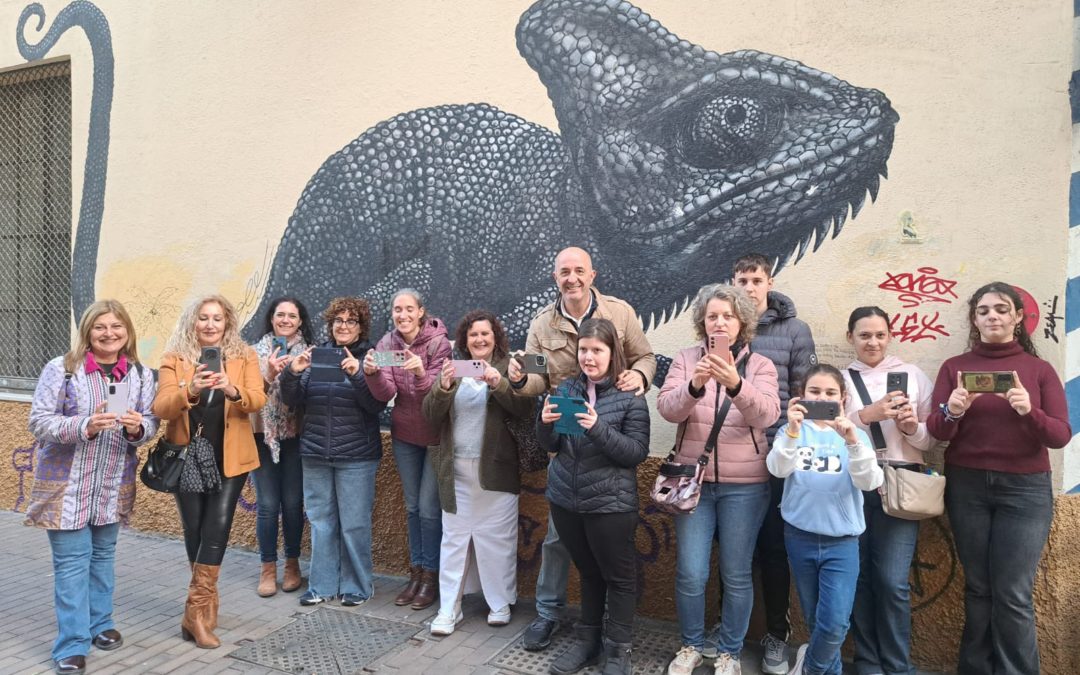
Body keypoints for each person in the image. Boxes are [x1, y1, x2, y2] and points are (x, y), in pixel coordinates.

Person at [509, 246, 656, 651]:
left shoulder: (620, 313)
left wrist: (639, 380)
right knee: (559, 540)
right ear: (555, 277)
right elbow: (539, 379)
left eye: (578, 271)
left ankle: (609, 630)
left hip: (611, 434)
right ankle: (548, 613)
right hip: (568, 444)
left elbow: (644, 356)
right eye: (563, 272)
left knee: (608, 558)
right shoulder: (543, 323)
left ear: (592, 274)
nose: (571, 278)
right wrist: (522, 381)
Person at [928, 282, 1070, 675]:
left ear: (1018, 318)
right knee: (978, 589)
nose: (993, 316)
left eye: (1002, 309)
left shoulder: (1038, 370)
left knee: (1012, 594)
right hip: (967, 487)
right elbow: (938, 431)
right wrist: (953, 410)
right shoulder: (954, 367)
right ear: (974, 319)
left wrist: (1029, 411)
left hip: (1025, 491)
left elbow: (1060, 436)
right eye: (984, 310)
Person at [26, 300, 158, 674]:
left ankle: (100, 624)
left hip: (112, 484)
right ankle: (71, 643)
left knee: (103, 558)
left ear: (127, 332)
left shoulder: (140, 374)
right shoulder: (62, 369)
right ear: (88, 331)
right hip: (66, 487)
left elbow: (150, 424)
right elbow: (38, 422)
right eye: (101, 327)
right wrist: (85, 425)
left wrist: (136, 427)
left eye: (117, 327)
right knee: (71, 564)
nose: (109, 333)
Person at [657, 284, 780, 675]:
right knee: (691, 572)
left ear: (741, 321)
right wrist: (694, 384)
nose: (720, 321)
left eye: (727, 315)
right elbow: (667, 410)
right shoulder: (686, 358)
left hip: (745, 488)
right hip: (693, 485)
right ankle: (692, 644)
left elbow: (767, 416)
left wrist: (736, 384)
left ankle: (729, 651)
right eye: (712, 315)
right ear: (702, 322)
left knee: (737, 572)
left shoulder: (761, 365)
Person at [153, 295, 267, 649]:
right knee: (195, 529)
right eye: (203, 318)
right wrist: (191, 389)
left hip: (230, 458)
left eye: (217, 318)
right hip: (187, 456)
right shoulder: (175, 359)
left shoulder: (244, 356)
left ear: (228, 322)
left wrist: (232, 390)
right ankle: (202, 609)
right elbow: (161, 407)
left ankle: (195, 611)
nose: (210, 324)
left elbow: (258, 399)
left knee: (216, 529)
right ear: (193, 322)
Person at [537, 318, 650, 675]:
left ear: (612, 353)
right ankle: (588, 642)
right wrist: (543, 422)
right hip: (566, 500)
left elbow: (635, 453)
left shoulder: (630, 396)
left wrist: (597, 427)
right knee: (587, 571)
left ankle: (618, 652)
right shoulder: (567, 388)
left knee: (618, 577)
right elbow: (552, 445)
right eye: (583, 349)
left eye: (596, 350)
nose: (589, 357)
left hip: (610, 505)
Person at [421, 310, 535, 635]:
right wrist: (442, 386)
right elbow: (429, 414)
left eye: (485, 334)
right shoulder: (453, 370)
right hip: (454, 472)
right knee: (454, 541)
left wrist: (498, 383)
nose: (480, 340)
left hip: (496, 471)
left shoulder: (509, 367)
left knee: (498, 540)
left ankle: (499, 603)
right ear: (464, 340)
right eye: (473, 335)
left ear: (496, 337)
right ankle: (449, 608)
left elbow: (525, 408)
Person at [766, 364, 883, 675]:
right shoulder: (790, 431)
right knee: (817, 620)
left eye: (830, 393)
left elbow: (870, 481)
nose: (822, 397)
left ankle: (809, 669)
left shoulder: (856, 435)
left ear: (843, 398)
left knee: (833, 624)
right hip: (799, 537)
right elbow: (777, 469)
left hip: (841, 542)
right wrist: (791, 432)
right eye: (814, 392)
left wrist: (853, 443)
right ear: (801, 396)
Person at [731, 252, 817, 673]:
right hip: (731, 459)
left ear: (769, 283)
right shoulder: (724, 329)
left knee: (773, 549)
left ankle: (776, 636)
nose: (748, 288)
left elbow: (806, 393)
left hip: (778, 458)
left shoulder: (795, 330)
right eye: (741, 281)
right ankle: (728, 632)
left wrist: (791, 442)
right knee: (732, 550)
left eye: (755, 280)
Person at [841, 306, 934, 675]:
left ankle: (898, 665)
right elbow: (829, 432)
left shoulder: (912, 375)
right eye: (864, 335)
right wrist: (866, 415)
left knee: (893, 581)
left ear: (890, 335)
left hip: (901, 484)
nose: (873, 342)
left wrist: (912, 427)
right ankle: (867, 661)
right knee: (859, 576)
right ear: (851, 338)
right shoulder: (843, 378)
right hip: (854, 485)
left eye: (880, 334)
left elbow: (930, 441)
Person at [280, 296, 387, 607]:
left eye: (350, 321)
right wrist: (293, 372)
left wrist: (358, 374)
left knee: (354, 525)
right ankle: (322, 585)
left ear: (360, 327)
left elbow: (376, 404)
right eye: (338, 321)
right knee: (321, 522)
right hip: (315, 453)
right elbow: (292, 400)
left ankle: (357, 586)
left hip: (357, 456)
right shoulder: (316, 355)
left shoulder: (371, 358)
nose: (343, 326)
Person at [364, 288, 452, 610]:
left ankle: (431, 575)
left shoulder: (438, 343)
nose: (402, 315)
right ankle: (415, 573)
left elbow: (440, 393)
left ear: (420, 312)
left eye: (408, 309)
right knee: (413, 507)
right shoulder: (387, 344)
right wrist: (372, 375)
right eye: (397, 310)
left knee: (430, 509)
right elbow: (385, 392)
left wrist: (418, 373)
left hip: (435, 436)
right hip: (403, 436)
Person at [250, 296, 314, 598]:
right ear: (271, 318)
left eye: (292, 315)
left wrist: (295, 372)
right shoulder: (253, 353)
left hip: (295, 435)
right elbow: (247, 396)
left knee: (291, 502)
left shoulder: (310, 353)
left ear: (300, 321)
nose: (286, 320)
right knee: (266, 505)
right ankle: (267, 567)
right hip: (261, 435)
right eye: (280, 315)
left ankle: (292, 564)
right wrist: (269, 373)